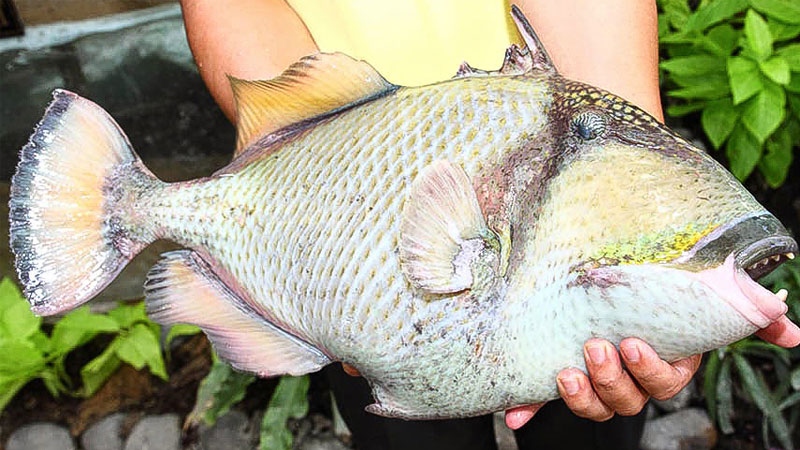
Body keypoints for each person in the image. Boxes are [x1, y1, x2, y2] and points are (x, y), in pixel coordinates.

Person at [178, 1, 800, 448]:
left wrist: (616, 135)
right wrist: (316, 172)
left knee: (594, 420)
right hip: (344, 170)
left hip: (539, 124)